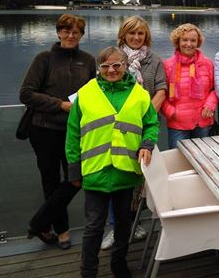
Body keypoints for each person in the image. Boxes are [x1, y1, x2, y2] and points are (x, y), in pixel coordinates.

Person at [66, 46, 159, 278]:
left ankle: (119, 264)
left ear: (125, 66)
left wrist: (147, 145)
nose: (111, 70)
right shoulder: (86, 93)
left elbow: (151, 124)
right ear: (99, 68)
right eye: (106, 66)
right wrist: (74, 168)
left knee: (123, 224)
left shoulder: (140, 94)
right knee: (93, 227)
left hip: (126, 170)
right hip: (95, 170)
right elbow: (73, 133)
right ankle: (88, 271)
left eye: (117, 65)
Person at [20, 14, 96, 250]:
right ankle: (61, 231)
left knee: (76, 177)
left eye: (76, 32)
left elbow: (95, 92)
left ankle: (40, 222)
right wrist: (60, 104)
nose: (71, 36)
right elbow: (26, 93)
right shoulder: (44, 59)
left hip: (75, 132)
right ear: (59, 32)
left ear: (81, 34)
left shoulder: (88, 60)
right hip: (44, 130)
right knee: (51, 180)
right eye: (66, 31)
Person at [101, 16, 167, 250]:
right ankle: (114, 227)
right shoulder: (113, 59)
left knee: (140, 176)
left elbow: (161, 90)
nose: (137, 38)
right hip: (116, 130)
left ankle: (134, 223)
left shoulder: (154, 60)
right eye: (132, 34)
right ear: (124, 35)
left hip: (145, 128)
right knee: (115, 177)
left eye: (140, 34)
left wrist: (143, 115)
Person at [161, 23, 218, 148]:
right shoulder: (167, 65)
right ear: (178, 41)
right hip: (177, 124)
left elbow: (215, 89)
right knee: (177, 160)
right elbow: (161, 94)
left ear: (198, 42)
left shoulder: (207, 64)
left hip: (202, 121)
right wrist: (171, 112)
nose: (189, 44)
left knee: (204, 159)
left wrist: (210, 105)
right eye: (185, 40)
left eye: (193, 40)